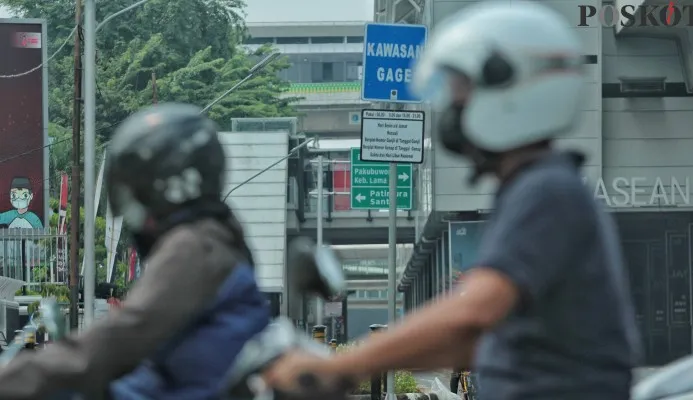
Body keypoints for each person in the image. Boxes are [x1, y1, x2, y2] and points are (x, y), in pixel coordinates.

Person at [263, 2, 642, 399]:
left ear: (513, 92)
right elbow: (470, 339)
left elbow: (471, 315)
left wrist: (339, 365)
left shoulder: (546, 193)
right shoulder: (536, 190)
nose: (451, 109)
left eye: (462, 92)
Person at [0, 103, 270, 399]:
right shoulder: (219, 238)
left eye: (136, 196)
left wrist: (19, 378)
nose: (136, 216)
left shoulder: (193, 247)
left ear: (167, 187)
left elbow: (123, 336)